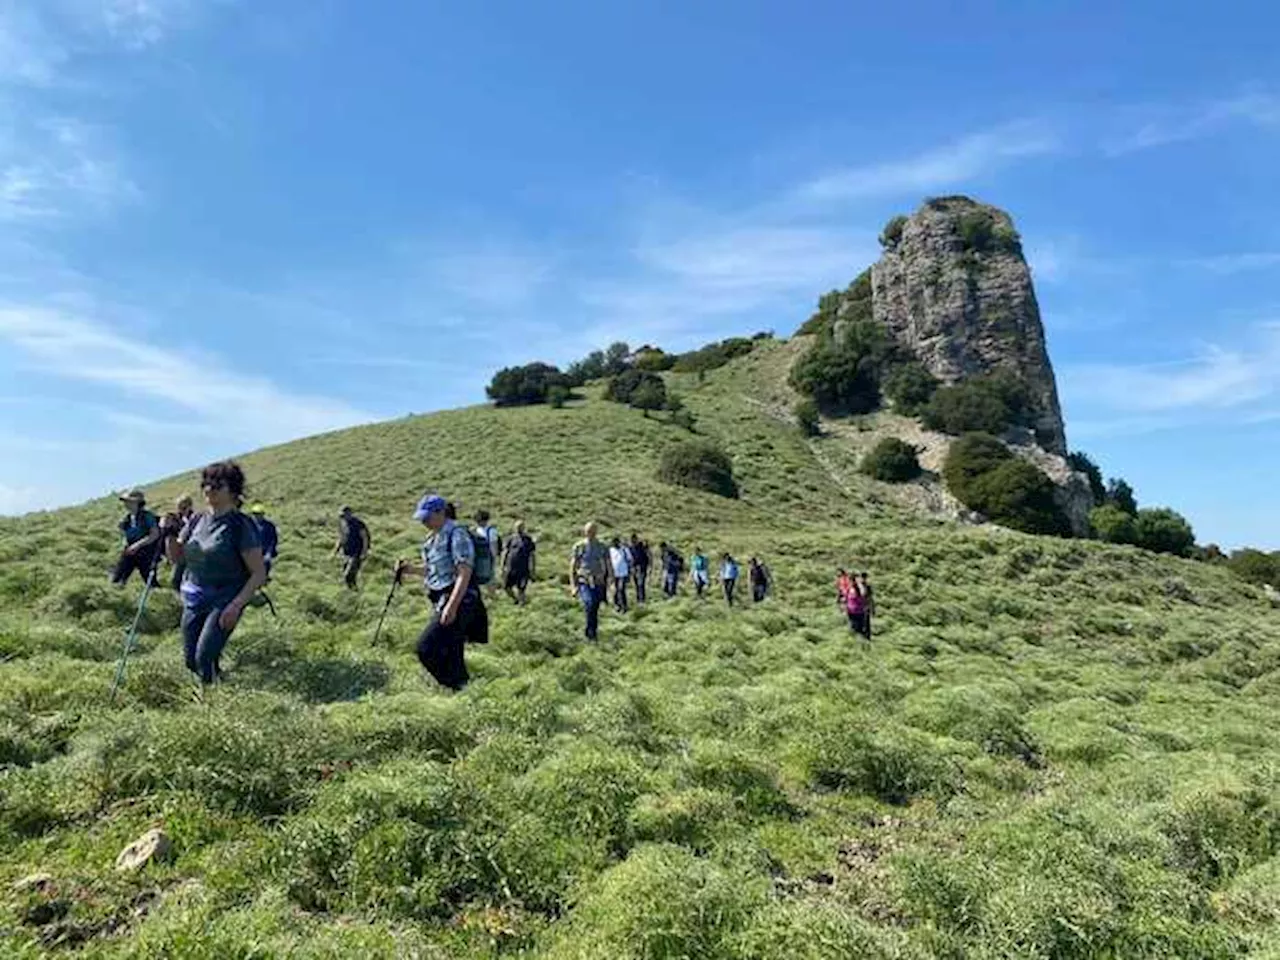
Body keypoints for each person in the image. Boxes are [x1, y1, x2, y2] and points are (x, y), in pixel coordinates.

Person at [162, 461, 266, 686]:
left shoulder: (241, 525)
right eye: (205, 484)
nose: (208, 489)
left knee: (204, 658)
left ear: (233, 490)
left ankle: (210, 702)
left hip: (226, 597)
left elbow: (258, 573)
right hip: (194, 595)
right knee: (190, 661)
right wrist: (169, 533)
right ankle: (217, 680)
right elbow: (177, 558)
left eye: (217, 485)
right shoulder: (197, 520)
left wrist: (235, 605)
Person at [395, 494, 488, 691]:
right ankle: (465, 693)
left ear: (441, 513)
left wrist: (451, 606)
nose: (423, 522)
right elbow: (434, 571)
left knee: (426, 648)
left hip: (460, 600)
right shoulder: (432, 539)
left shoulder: (457, 534)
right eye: (422, 518)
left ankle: (455, 688)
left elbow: (464, 572)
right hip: (443, 599)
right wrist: (411, 569)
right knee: (453, 652)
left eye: (427, 517)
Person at [569, 522, 611, 640]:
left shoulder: (602, 546)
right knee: (589, 603)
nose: (590, 534)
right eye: (588, 532)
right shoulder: (579, 546)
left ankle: (593, 631)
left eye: (593, 532)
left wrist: (611, 580)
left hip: (598, 582)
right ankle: (589, 633)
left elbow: (608, 564)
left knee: (595, 607)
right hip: (584, 581)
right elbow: (573, 566)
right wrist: (573, 586)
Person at [111, 490, 161, 586]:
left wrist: (138, 545)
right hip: (130, 552)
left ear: (137, 503)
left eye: (128, 501)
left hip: (146, 554)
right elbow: (125, 536)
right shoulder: (127, 519)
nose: (126, 504)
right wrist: (126, 542)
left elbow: (154, 535)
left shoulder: (147, 516)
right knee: (117, 579)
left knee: (151, 583)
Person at [333, 506, 370, 589]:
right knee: (345, 575)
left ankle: (353, 592)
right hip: (346, 553)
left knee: (349, 575)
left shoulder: (358, 524)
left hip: (357, 553)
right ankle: (352, 592)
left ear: (350, 514)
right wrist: (336, 550)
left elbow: (365, 538)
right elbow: (341, 537)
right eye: (341, 516)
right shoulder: (342, 523)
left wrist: (364, 552)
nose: (343, 517)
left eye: (344, 515)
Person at [502, 520, 537, 605]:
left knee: (521, 589)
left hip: (523, 568)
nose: (519, 529)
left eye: (521, 527)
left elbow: (532, 555)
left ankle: (522, 604)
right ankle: (515, 599)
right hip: (511, 567)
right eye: (517, 527)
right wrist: (503, 565)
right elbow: (505, 552)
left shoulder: (528, 539)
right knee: (506, 587)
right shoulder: (510, 539)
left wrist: (533, 569)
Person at [168, 495, 196, 592]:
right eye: (179, 508)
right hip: (180, 553)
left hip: (194, 553)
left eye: (184, 508)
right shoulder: (176, 519)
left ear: (190, 506)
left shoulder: (196, 518)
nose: (182, 510)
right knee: (175, 580)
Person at [474, 510, 502, 594]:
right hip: (479, 557)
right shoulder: (478, 530)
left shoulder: (491, 531)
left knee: (489, 577)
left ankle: (491, 593)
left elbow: (494, 545)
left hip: (487, 557)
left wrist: (494, 558)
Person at [248, 503, 279, 579]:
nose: (256, 516)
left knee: (266, 563)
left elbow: (273, 540)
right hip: (252, 550)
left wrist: (269, 553)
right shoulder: (248, 525)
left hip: (265, 550)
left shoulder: (269, 526)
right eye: (255, 514)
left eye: (258, 514)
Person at [609, 536, 632, 613]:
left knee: (621, 589)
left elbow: (630, 560)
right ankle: (617, 605)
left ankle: (624, 606)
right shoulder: (611, 550)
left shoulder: (624, 550)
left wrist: (629, 572)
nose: (615, 544)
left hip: (623, 573)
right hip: (614, 573)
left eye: (616, 542)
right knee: (615, 590)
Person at [845, 576, 869, 640]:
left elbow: (846, 598)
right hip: (857, 611)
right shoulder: (858, 589)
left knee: (855, 627)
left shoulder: (853, 589)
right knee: (858, 627)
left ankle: (857, 641)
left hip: (853, 610)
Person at [630, 533, 650, 604]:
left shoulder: (641, 546)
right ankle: (638, 598)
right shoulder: (631, 548)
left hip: (642, 568)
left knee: (641, 584)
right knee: (637, 585)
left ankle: (642, 599)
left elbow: (647, 555)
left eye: (634, 540)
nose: (633, 541)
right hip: (635, 569)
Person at [856, 571, 876, 639]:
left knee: (866, 624)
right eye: (862, 578)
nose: (863, 579)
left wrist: (872, 608)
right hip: (858, 607)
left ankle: (867, 638)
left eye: (864, 578)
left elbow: (870, 598)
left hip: (865, 607)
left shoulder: (868, 586)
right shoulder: (857, 587)